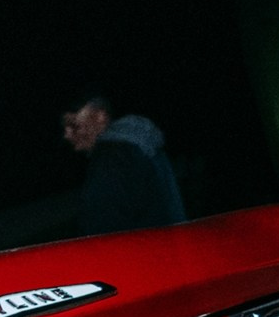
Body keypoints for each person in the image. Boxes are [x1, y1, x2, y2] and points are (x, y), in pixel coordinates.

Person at [59, 98, 186, 231]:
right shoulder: (141, 146)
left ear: (100, 116)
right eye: (65, 127)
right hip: (168, 243)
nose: (66, 134)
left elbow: (100, 231)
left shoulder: (112, 156)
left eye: (74, 125)